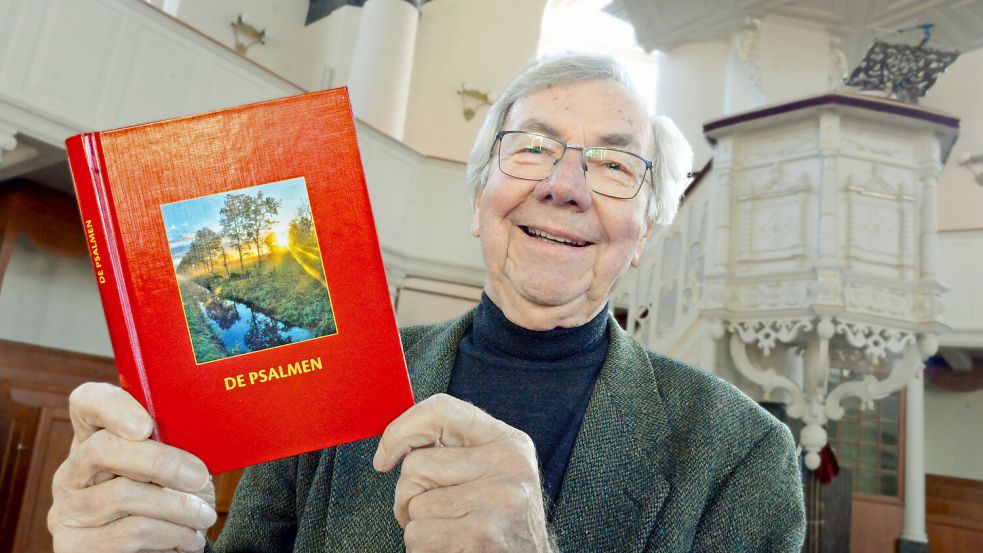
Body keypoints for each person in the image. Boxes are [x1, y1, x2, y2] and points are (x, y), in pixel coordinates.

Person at [48, 54, 806, 552]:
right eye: (533, 148)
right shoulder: (336, 372)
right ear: (479, 199)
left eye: (613, 163)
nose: (565, 185)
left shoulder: (740, 454)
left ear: (643, 231)